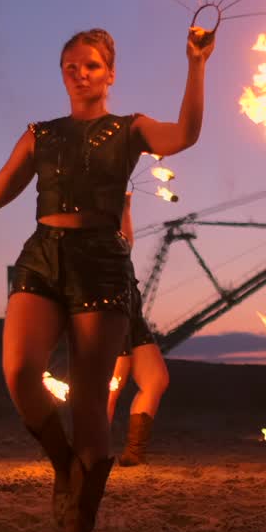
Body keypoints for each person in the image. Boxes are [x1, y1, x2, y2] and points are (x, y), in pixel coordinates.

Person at [0, 26, 215, 532]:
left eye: (91, 65)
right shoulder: (39, 134)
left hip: (101, 260)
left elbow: (184, 134)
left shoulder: (130, 128)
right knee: (20, 371)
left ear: (109, 74)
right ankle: (64, 463)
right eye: (70, 66)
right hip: (43, 256)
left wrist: (196, 64)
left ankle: (83, 506)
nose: (80, 73)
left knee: (90, 398)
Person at [107, 193, 170, 467]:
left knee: (156, 379)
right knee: (109, 391)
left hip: (133, 319)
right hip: (112, 318)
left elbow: (126, 242)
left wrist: (126, 206)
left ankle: (134, 451)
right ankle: (91, 452)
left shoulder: (117, 245)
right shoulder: (92, 247)